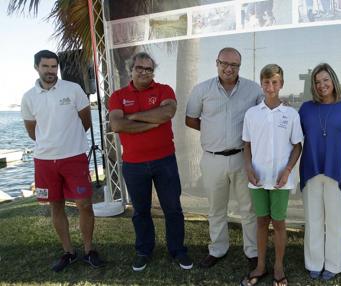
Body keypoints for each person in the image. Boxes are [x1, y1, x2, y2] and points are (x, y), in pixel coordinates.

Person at [21, 50, 105, 272]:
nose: (50, 71)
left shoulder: (73, 89)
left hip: (74, 157)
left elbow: (85, 121)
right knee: (55, 205)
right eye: (45, 66)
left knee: (84, 205)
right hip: (44, 161)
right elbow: (33, 132)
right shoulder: (28, 97)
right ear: (36, 67)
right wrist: (50, 144)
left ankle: (89, 250)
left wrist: (70, 142)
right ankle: (68, 252)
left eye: (53, 66)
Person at [109, 52, 192, 272]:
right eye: (140, 68)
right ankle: (144, 250)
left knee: (173, 208)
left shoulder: (164, 89)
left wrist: (133, 116)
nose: (144, 72)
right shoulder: (118, 95)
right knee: (140, 211)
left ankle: (178, 250)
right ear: (131, 70)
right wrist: (151, 121)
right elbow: (117, 125)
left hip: (164, 161)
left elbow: (168, 112)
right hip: (134, 164)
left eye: (148, 69)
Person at [185, 47, 263, 269]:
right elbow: (190, 119)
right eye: (224, 63)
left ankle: (252, 252)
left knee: (248, 209)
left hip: (242, 157)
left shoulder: (253, 89)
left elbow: (262, 119)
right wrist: (213, 133)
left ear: (240, 66)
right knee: (216, 208)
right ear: (216, 62)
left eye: (234, 65)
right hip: (212, 159)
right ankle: (218, 249)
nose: (229, 68)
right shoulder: (202, 90)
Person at [240, 64, 303, 286]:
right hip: (257, 178)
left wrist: (287, 171)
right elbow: (246, 144)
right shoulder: (252, 113)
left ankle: (278, 266)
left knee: (278, 223)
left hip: (279, 180)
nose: (270, 86)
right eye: (266, 82)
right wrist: (248, 168)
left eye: (275, 82)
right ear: (261, 83)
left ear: (281, 84)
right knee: (260, 221)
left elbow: (297, 146)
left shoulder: (291, 114)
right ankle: (260, 266)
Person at [298, 63, 341, 281]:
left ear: (333, 80)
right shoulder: (305, 108)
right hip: (310, 170)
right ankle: (314, 262)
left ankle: (335, 264)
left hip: (338, 171)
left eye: (325, 80)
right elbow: (294, 139)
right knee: (313, 220)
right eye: (317, 82)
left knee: (336, 221)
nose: (322, 85)